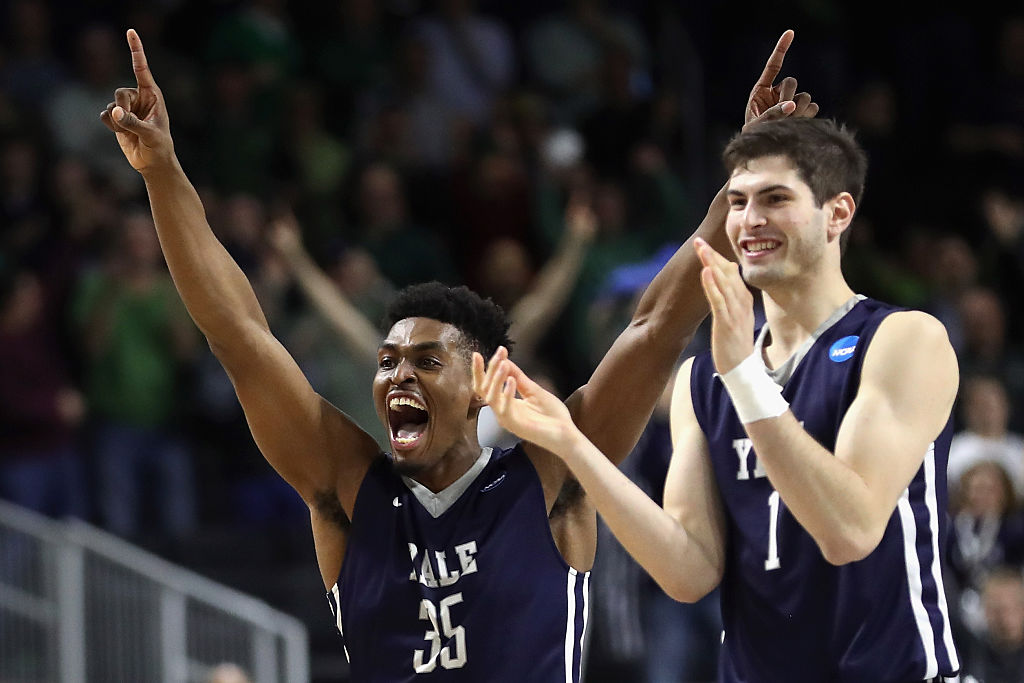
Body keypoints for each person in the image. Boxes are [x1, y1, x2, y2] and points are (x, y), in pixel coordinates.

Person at [100, 28, 808, 682]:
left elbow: (655, 327)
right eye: (387, 362)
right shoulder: (349, 487)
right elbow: (240, 335)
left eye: (425, 361)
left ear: (479, 381)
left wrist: (743, 180)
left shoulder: (551, 470)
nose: (397, 374)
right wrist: (163, 173)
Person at [475, 115, 962, 681]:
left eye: (775, 198)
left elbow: (849, 531)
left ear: (838, 213)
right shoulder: (702, 382)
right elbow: (689, 571)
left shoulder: (902, 339)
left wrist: (744, 377)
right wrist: (571, 443)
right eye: (737, 202)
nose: (751, 220)